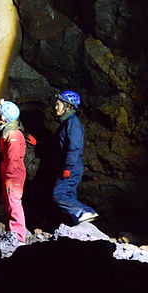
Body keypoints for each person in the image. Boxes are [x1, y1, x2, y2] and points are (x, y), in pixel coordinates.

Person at [52, 90, 98, 225]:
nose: (55, 107)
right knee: (69, 196)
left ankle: (85, 211)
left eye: (58, 104)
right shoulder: (66, 123)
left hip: (71, 166)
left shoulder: (73, 123)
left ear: (68, 106)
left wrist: (68, 167)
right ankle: (74, 225)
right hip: (68, 165)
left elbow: (74, 147)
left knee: (58, 194)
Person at [0, 100, 27, 243]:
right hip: (9, 173)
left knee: (14, 203)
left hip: (13, 174)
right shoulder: (7, 132)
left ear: (4, 117)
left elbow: (13, 158)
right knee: (9, 203)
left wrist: (8, 174)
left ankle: (19, 237)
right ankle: (12, 233)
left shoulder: (14, 134)